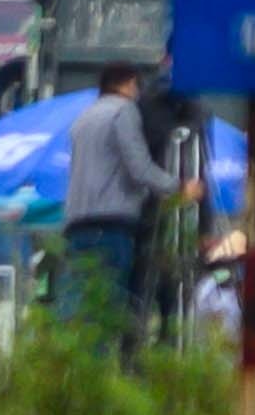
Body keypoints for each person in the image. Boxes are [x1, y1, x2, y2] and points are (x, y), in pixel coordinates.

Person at [60, 60, 179, 334]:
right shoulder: (123, 112)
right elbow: (139, 168)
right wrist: (178, 187)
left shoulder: (83, 119)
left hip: (77, 226)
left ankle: (70, 371)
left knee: (75, 307)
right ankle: (100, 370)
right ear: (128, 84)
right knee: (107, 310)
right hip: (111, 225)